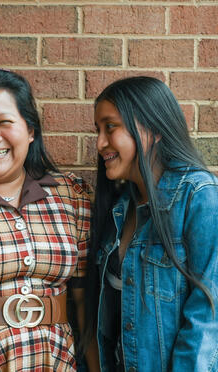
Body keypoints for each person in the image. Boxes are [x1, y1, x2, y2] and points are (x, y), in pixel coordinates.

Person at [0, 68, 96, 371]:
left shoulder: (71, 196)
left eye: (4, 122)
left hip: (54, 362)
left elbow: (84, 305)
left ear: (30, 130)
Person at [84, 76, 218, 372]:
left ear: (153, 129)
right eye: (98, 130)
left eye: (110, 127)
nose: (100, 143)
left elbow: (208, 317)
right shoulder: (118, 210)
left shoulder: (198, 196)